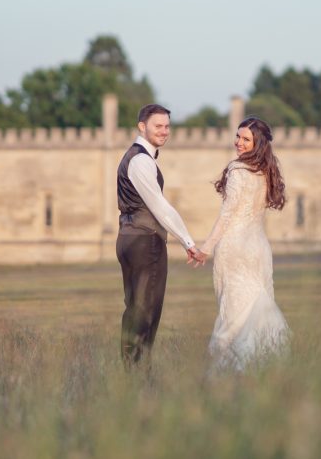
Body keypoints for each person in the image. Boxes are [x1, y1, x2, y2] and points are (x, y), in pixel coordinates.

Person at [116, 103, 207, 368]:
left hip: (128, 239)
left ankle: (130, 370)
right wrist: (188, 242)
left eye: (167, 126)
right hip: (145, 242)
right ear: (142, 126)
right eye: (158, 126)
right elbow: (160, 208)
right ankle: (138, 372)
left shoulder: (136, 157)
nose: (164, 131)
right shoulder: (141, 160)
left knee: (135, 306)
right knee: (147, 310)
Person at [200, 116, 290, 372]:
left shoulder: (238, 169)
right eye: (238, 136)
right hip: (259, 248)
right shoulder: (267, 171)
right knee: (256, 304)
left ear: (257, 143)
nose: (238, 142)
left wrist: (206, 247)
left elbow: (227, 214)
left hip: (235, 248)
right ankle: (263, 363)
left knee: (233, 310)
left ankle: (232, 367)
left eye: (246, 139)